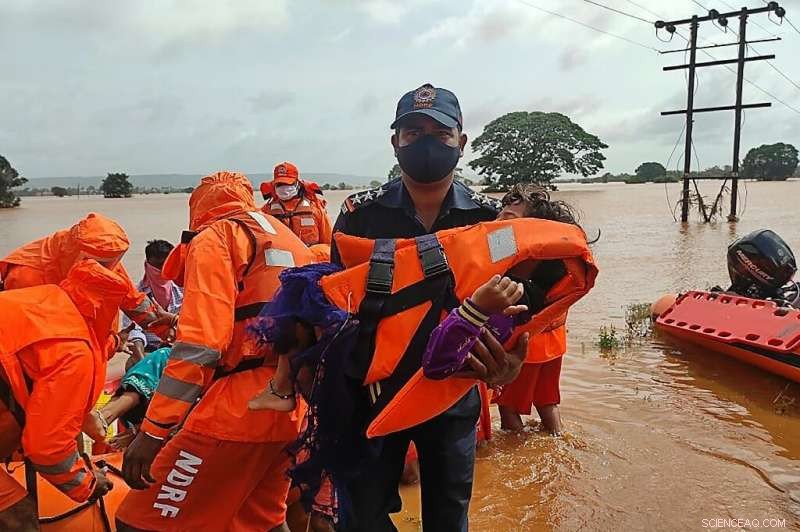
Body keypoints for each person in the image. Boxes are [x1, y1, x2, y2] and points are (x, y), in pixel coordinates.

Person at [329, 83, 529, 532]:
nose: (425, 142)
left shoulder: (490, 221)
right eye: (412, 132)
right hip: (371, 393)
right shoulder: (359, 215)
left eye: (439, 133)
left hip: (453, 395)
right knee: (359, 518)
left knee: (448, 518)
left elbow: (518, 311)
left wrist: (512, 363)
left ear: (462, 141)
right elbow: (332, 306)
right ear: (394, 142)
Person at [116, 171, 315, 532]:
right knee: (263, 522)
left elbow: (201, 345)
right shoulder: (288, 238)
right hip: (291, 407)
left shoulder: (215, 237)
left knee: (138, 522)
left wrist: (153, 432)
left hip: (237, 412)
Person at [0, 260, 132, 531]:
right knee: (19, 519)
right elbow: (47, 448)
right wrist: (87, 484)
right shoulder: (74, 352)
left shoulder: (43, 300)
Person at [0, 213, 175, 354]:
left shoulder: (105, 259)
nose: (105, 270)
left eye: (112, 264)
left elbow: (134, 302)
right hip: (45, 353)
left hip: (91, 350)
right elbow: (48, 337)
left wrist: (167, 329)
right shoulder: (27, 276)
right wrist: (111, 344)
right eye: (102, 265)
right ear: (79, 253)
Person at [492, 184, 582, 435]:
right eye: (500, 214)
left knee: (508, 406)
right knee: (547, 401)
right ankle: (558, 442)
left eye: (507, 217)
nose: (497, 221)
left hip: (526, 347)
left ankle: (519, 456)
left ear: (534, 226)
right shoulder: (555, 257)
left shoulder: (513, 253)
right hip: (554, 342)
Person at [122, 239, 184, 361]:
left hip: (179, 347)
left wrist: (173, 325)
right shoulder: (136, 293)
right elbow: (133, 331)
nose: (161, 271)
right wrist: (141, 360)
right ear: (147, 265)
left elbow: (196, 322)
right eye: (157, 266)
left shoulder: (184, 288)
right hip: (150, 350)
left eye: (166, 265)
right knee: (132, 365)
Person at [260, 161, 333, 247]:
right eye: (279, 184)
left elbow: (328, 243)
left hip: (311, 258)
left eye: (288, 184)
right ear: (274, 185)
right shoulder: (266, 212)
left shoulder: (316, 208)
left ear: (297, 183)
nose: (283, 188)